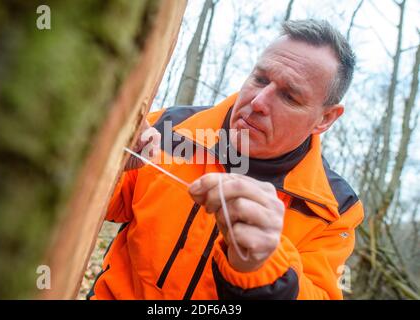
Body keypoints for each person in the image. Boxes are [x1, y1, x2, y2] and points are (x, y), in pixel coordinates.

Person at [88, 19, 364, 300]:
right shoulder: (170, 130)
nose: (258, 102)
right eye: (260, 79)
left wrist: (262, 266)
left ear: (325, 118)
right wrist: (104, 160)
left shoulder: (333, 210)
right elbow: (97, 205)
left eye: (289, 96)